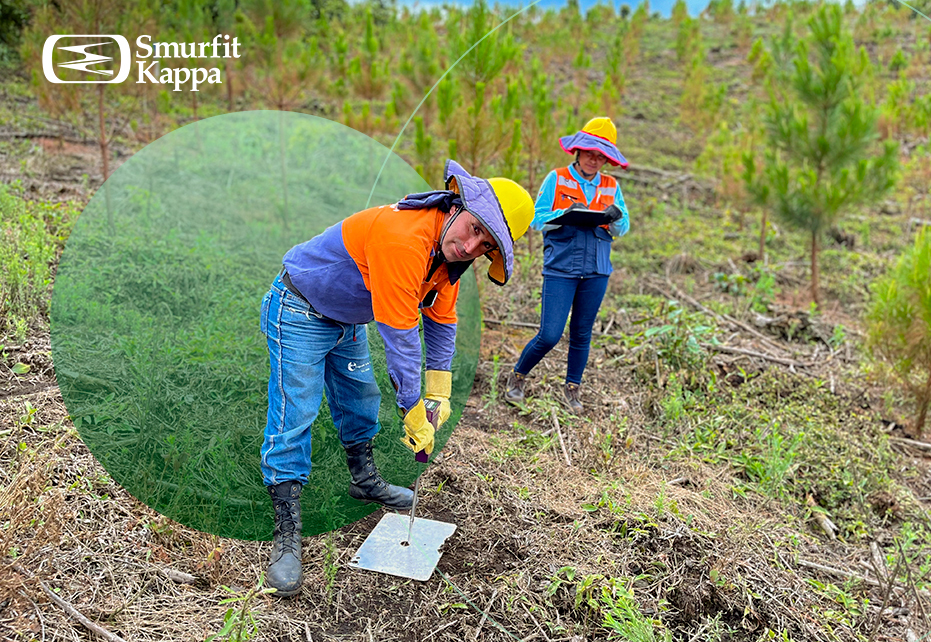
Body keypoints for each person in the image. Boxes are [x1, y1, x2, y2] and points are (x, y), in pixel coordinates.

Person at [260, 160, 533, 596]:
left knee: (361, 400)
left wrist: (438, 393)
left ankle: (363, 479)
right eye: (474, 228)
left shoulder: (446, 260)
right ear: (457, 206)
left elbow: (441, 324)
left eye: (486, 243)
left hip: (347, 319)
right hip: (299, 309)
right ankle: (287, 531)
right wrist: (412, 409)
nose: (471, 245)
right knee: (298, 410)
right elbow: (402, 339)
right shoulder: (406, 238)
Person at [505, 117, 630, 414]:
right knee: (550, 334)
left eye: (601, 156)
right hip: (561, 267)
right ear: (578, 150)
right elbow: (537, 219)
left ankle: (573, 388)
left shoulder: (612, 186)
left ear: (607, 159)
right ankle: (518, 376)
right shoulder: (557, 178)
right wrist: (567, 213)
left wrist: (613, 219)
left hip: (597, 269)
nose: (594, 159)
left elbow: (623, 226)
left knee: (582, 333)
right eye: (590, 152)